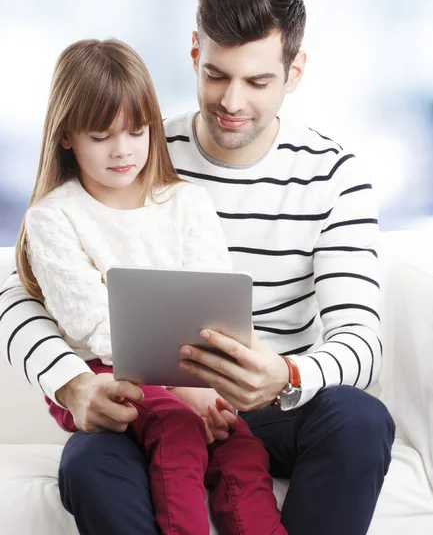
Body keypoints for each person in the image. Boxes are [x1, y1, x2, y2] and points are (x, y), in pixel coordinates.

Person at [0, 0, 395, 535]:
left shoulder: (333, 177)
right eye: (216, 75)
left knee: (359, 421)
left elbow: (361, 342)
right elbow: (21, 293)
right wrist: (72, 382)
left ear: (295, 70)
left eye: (258, 81)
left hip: (274, 404)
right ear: (193, 53)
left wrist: (283, 375)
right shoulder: (133, 146)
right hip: (155, 395)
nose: (232, 100)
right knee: (89, 463)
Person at [12, 37, 288, 535]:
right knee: (178, 430)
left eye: (137, 132)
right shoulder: (53, 216)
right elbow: (93, 323)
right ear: (67, 136)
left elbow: (215, 307)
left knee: (242, 449)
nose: (123, 151)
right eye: (101, 136)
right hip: (105, 371)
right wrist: (184, 391)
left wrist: (206, 384)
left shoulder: (186, 203)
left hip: (194, 369)